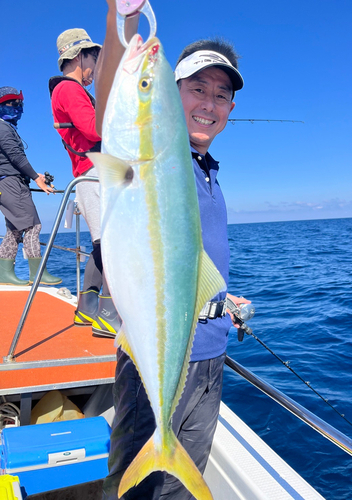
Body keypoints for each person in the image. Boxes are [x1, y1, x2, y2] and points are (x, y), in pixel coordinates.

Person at [95, 4, 250, 499]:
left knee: (182, 486)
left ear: (230, 109)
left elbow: (188, 265)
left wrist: (222, 302)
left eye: (221, 95)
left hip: (207, 357)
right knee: (134, 491)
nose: (209, 102)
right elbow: (111, 100)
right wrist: (121, 21)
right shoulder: (158, 158)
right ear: (172, 95)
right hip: (151, 359)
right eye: (196, 89)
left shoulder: (206, 171)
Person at [49, 28, 120, 338]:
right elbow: (94, 129)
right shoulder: (69, 90)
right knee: (115, 245)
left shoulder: (66, 91)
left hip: (89, 175)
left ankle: (87, 309)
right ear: (79, 56)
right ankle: (109, 315)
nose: (97, 65)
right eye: (95, 57)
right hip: (95, 175)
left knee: (101, 245)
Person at [0, 86, 61, 286]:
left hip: (9, 183)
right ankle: (38, 274)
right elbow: (15, 157)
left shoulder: (6, 127)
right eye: (14, 104)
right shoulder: (2, 127)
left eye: (20, 104)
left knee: (15, 230)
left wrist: (34, 175)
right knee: (33, 226)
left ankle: (4, 273)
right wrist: (36, 178)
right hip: (11, 184)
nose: (19, 108)